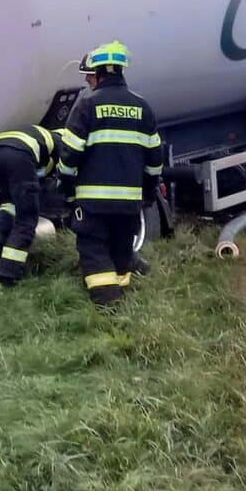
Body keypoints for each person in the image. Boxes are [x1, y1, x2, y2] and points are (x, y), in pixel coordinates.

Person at [55, 40, 162, 307]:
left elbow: (69, 155)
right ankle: (122, 301)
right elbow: (154, 160)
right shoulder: (142, 107)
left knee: (93, 249)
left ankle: (109, 307)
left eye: (89, 76)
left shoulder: (87, 106)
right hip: (129, 204)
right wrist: (147, 194)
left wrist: (66, 190)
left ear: (100, 74)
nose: (88, 81)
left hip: (93, 202)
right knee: (121, 249)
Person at [0, 124, 57, 285]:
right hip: (19, 155)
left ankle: (1, 232)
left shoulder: (43, 134)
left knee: (10, 201)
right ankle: (9, 274)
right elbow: (52, 171)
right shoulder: (62, 142)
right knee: (27, 217)